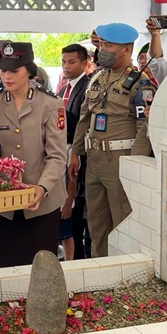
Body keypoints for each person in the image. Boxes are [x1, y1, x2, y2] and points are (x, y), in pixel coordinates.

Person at [69, 23, 155, 258]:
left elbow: (144, 128)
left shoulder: (140, 82)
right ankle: (100, 273)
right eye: (101, 45)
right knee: (96, 224)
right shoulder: (97, 78)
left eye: (108, 46)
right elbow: (85, 118)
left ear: (126, 49)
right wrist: (75, 153)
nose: (102, 50)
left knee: (122, 222)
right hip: (94, 161)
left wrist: (133, 166)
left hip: (120, 161)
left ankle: (123, 278)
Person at [0, 42, 67, 267]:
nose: (6, 76)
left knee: (42, 266)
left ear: (29, 70)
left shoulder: (50, 103)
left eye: (14, 71)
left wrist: (42, 188)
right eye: (2, 70)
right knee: (8, 263)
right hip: (6, 200)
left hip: (43, 201)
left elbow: (57, 156)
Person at [58, 43, 92, 259]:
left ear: (84, 63)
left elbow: (83, 124)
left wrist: (76, 154)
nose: (66, 66)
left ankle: (79, 257)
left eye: (71, 62)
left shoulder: (88, 88)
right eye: (63, 62)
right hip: (62, 151)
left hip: (79, 154)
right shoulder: (63, 89)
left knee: (78, 211)